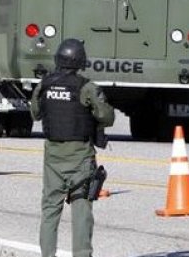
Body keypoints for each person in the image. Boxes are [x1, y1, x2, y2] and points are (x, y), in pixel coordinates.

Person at [30, 38, 115, 257]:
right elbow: (106, 115)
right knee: (81, 211)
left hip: (53, 156)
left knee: (50, 210)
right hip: (80, 157)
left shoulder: (44, 85)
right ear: (80, 61)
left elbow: (35, 113)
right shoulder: (86, 87)